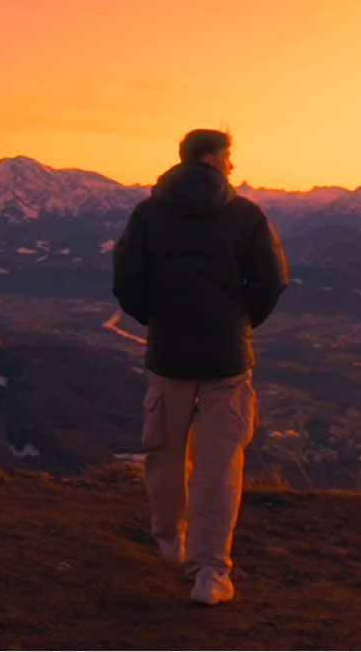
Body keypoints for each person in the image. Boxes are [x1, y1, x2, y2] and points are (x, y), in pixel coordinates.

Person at [112, 128, 288, 606]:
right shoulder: (245, 215)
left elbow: (127, 280)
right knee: (219, 465)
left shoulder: (148, 213)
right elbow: (272, 281)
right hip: (227, 360)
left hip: (167, 355)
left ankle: (169, 540)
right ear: (213, 158)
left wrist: (159, 319)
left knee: (165, 451)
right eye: (229, 157)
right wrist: (238, 321)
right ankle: (211, 572)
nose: (233, 166)